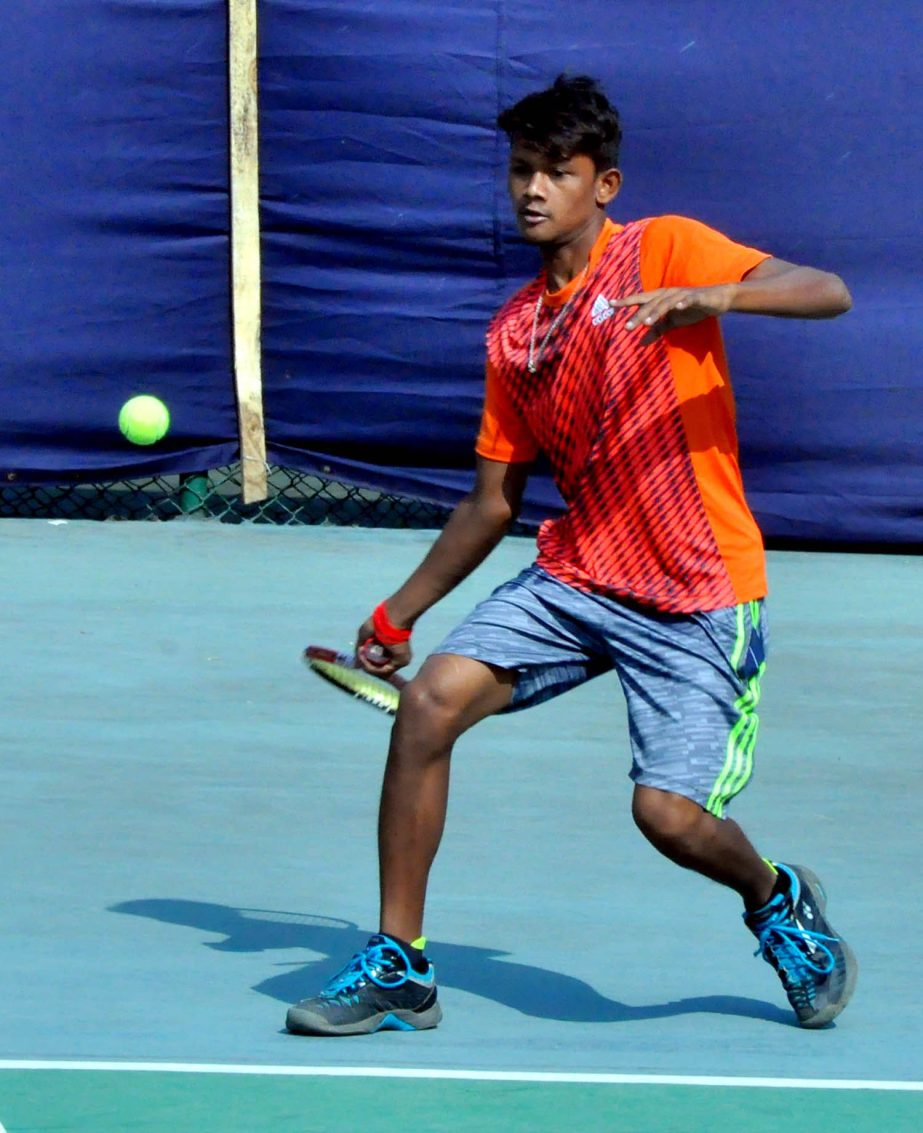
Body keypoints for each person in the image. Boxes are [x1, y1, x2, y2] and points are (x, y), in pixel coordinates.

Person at [286, 74, 857, 1037]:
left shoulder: (664, 249)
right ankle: (401, 965)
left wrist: (715, 296)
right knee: (427, 702)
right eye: (520, 170)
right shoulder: (515, 333)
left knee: (669, 818)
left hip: (696, 589)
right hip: (578, 577)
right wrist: (398, 612)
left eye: (558, 170)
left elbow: (827, 291)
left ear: (605, 184)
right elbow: (489, 501)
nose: (533, 188)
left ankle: (775, 899)